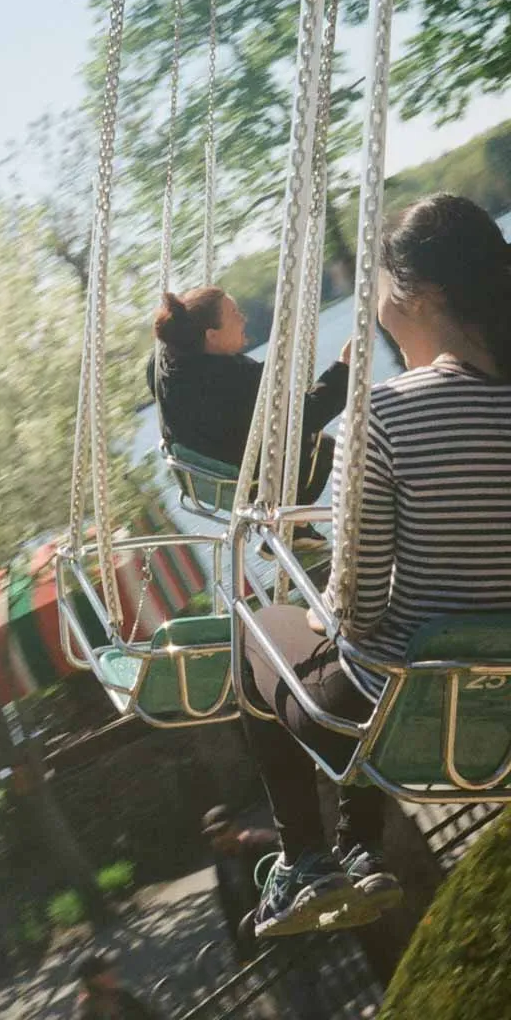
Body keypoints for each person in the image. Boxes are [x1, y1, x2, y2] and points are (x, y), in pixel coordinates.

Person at [240, 193, 511, 939]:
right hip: (500, 711)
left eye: (381, 282)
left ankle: (302, 859)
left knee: (260, 627)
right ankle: (359, 849)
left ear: (421, 295)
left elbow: (356, 616)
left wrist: (317, 604)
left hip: (400, 715)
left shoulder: (383, 415)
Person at [146, 287, 352, 552]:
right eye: (235, 314)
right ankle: (288, 524)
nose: (243, 319)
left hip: (202, 480)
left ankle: (294, 527)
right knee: (322, 446)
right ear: (211, 335)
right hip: (245, 484)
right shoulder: (239, 378)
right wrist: (344, 368)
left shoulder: (161, 366)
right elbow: (308, 416)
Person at [201, 805, 278, 962]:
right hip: (260, 938)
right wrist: (240, 950)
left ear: (235, 826)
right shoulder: (222, 864)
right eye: (212, 836)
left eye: (222, 831)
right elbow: (230, 909)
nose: (218, 839)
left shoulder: (263, 842)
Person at [73, 951, 162, 1020]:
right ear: (96, 979)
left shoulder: (121, 996)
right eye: (107, 970)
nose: (114, 972)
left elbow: (146, 1015)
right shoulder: (88, 1014)